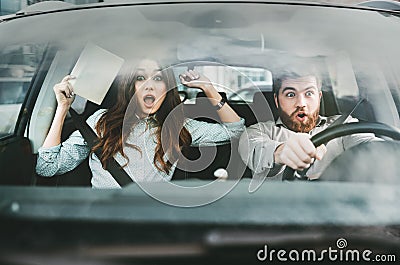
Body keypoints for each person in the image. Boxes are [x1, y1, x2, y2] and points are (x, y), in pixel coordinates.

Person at [36, 59, 245, 188]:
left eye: (158, 79)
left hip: (148, 221)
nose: (149, 86)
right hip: (103, 221)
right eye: (140, 77)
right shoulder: (101, 121)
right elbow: (47, 167)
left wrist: (208, 89)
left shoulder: (177, 125)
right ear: (130, 85)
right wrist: (62, 108)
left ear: (167, 87)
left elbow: (236, 132)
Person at [238, 67, 378, 180]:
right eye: (290, 94)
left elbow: (374, 148)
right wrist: (281, 152)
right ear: (276, 100)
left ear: (319, 97)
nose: (301, 104)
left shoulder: (345, 125)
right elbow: (255, 150)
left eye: (309, 93)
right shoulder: (259, 131)